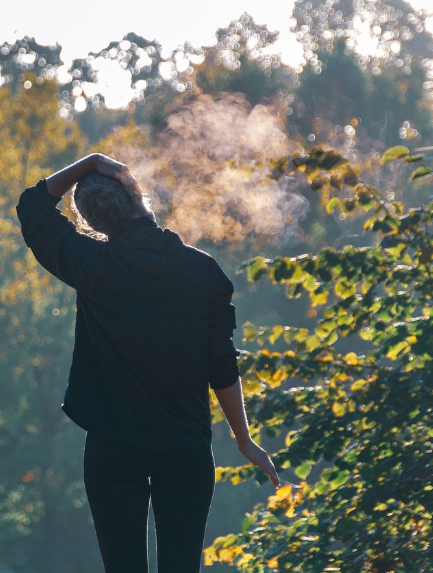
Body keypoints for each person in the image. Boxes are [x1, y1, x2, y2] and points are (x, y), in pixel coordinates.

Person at [16, 153, 279, 573]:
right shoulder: (203, 272)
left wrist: (90, 162)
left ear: (93, 222)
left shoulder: (91, 265)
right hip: (185, 448)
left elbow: (33, 205)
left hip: (112, 448)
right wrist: (243, 439)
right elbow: (221, 365)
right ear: (138, 195)